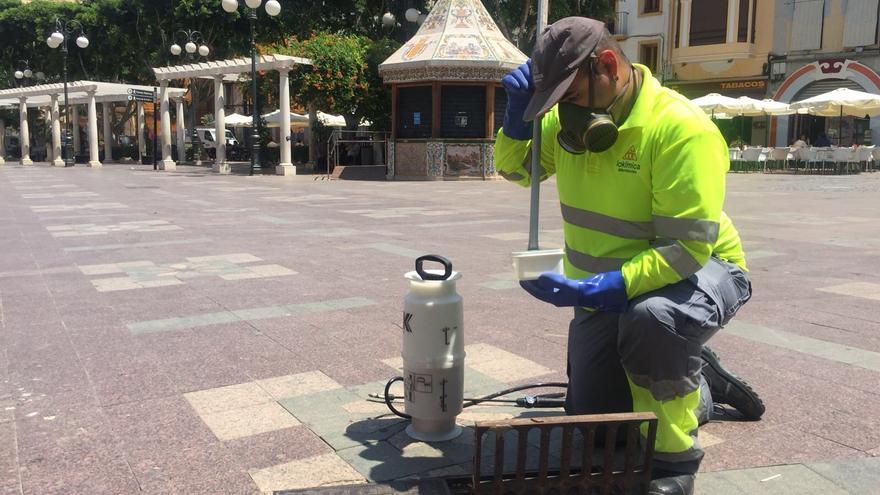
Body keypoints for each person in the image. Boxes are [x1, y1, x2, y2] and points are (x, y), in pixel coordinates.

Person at [495, 18, 764, 495]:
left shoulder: (680, 129)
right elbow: (518, 174)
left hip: (703, 270)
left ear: (607, 65)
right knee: (598, 427)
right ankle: (702, 384)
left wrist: (607, 287)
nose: (564, 114)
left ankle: (674, 461)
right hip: (608, 290)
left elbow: (686, 249)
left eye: (572, 98)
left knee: (653, 319)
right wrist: (517, 123)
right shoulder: (567, 121)